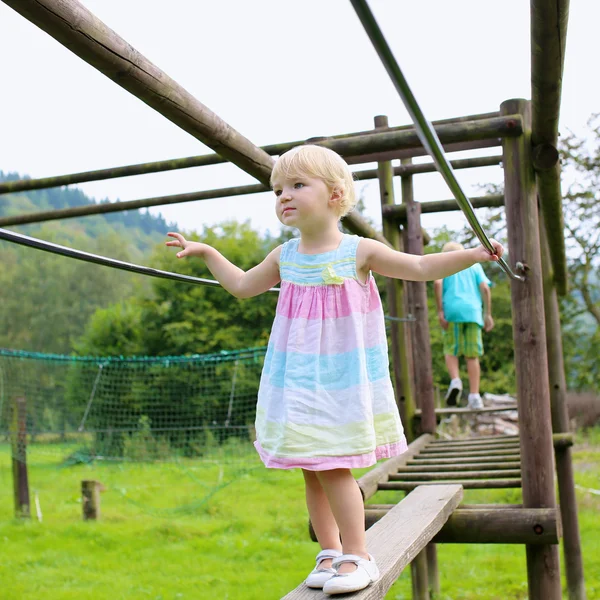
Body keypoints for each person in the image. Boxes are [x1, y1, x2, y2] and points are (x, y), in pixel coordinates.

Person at [166, 145, 503, 595]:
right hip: (298, 382)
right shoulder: (284, 256)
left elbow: (421, 266)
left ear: (336, 194)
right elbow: (243, 286)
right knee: (311, 466)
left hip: (343, 384)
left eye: (297, 185)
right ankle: (329, 551)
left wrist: (475, 256)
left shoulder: (358, 251)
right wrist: (208, 251)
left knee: (335, 466)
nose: (283, 195)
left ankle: (359, 555)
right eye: (278, 189)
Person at [433, 241, 495, 410]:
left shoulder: (446, 264)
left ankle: (456, 380)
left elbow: (437, 283)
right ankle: (475, 396)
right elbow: (485, 288)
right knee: (472, 355)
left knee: (451, 350)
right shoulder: (474, 266)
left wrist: (440, 311)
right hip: (473, 312)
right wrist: (487, 313)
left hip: (452, 311)